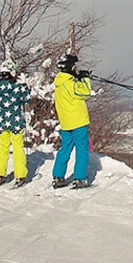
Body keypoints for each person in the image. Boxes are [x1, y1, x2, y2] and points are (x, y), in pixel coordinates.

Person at [52, 53, 92, 189]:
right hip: (78, 121)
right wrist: (85, 79)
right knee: (81, 150)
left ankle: (58, 176)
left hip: (65, 122)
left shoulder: (59, 82)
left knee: (65, 149)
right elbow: (85, 93)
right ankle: (79, 178)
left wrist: (77, 78)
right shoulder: (70, 84)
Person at [0, 59, 32, 187]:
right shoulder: (17, 88)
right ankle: (20, 175)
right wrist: (24, 85)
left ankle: (0, 173)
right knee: (18, 147)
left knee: (3, 147)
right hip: (15, 122)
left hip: (1, 122)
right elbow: (27, 99)